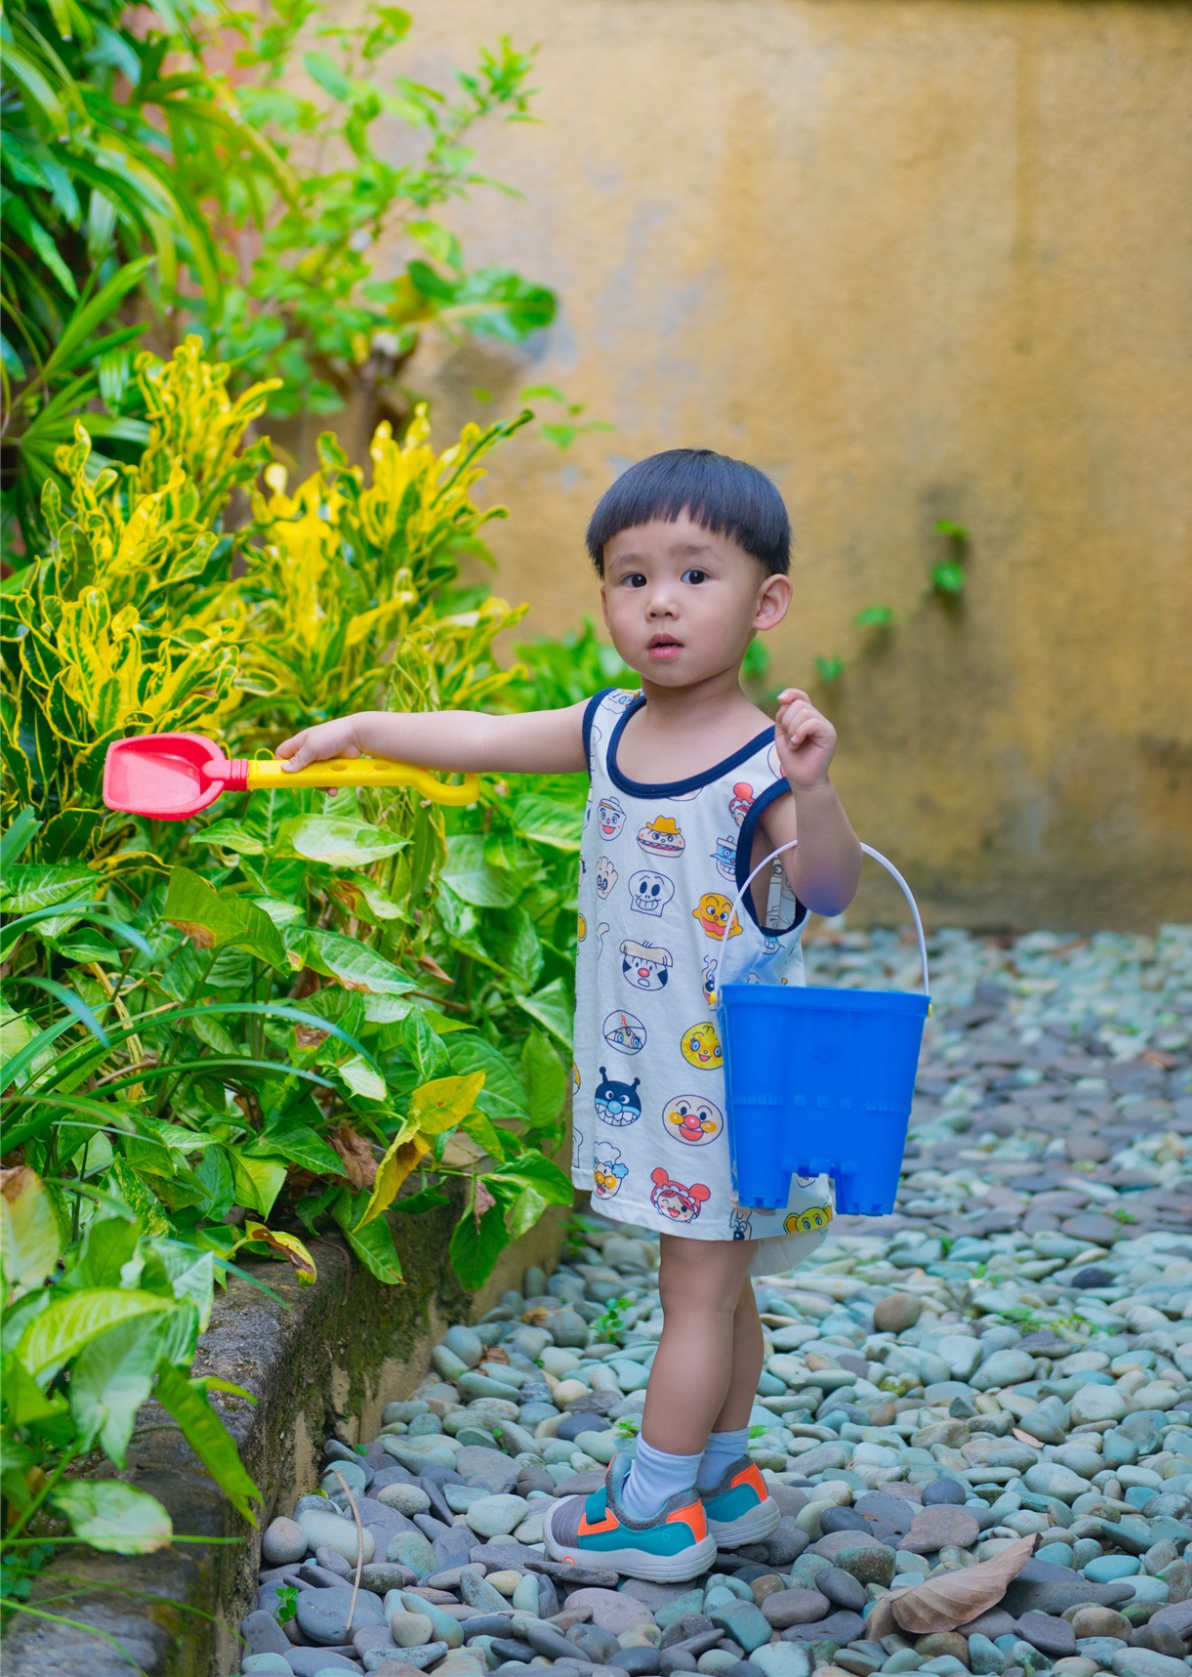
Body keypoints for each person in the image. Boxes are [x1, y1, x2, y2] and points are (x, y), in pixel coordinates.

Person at [277, 448, 863, 1582]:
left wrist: (820, 787)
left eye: (695, 572)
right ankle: (724, 1474)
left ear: (765, 601)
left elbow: (831, 887)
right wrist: (364, 729)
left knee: (693, 1295)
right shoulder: (606, 729)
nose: (658, 601)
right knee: (723, 1284)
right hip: (658, 1082)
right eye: (628, 575)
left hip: (731, 1087)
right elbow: (486, 737)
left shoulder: (763, 768)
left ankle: (650, 1505)